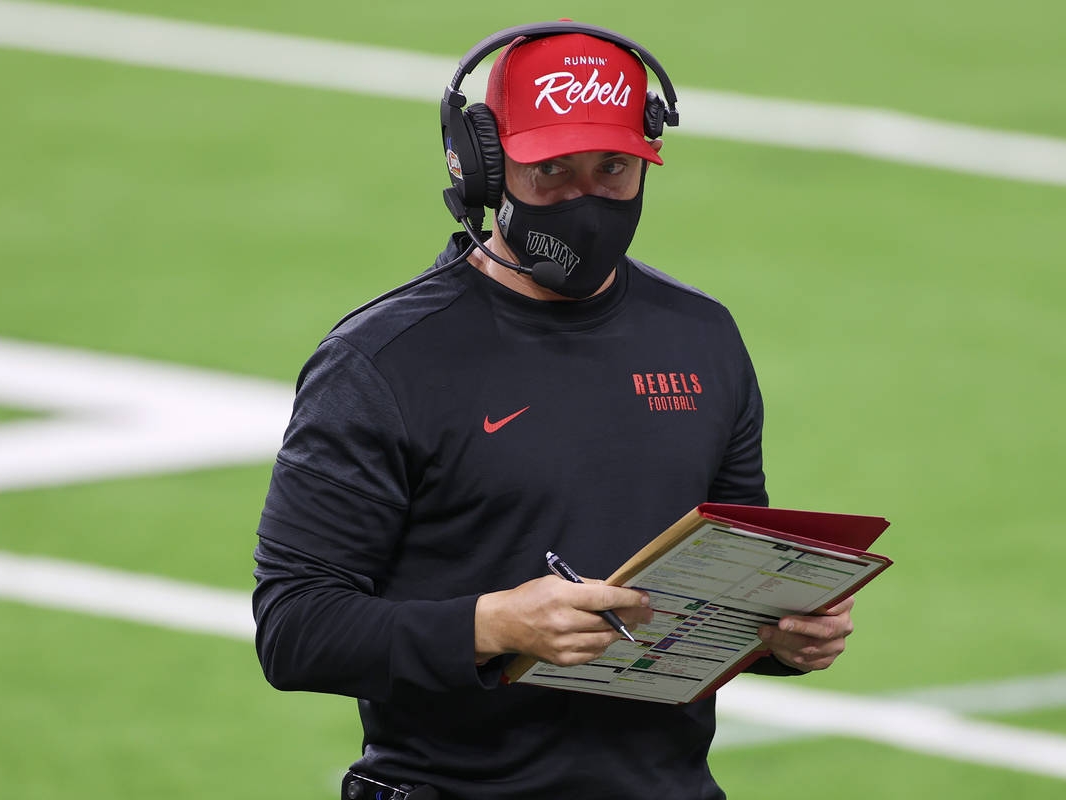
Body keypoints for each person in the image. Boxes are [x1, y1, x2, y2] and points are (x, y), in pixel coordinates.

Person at [253, 22, 854, 800]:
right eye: (552, 172)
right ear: (485, 167)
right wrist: (492, 626)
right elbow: (296, 629)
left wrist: (780, 635)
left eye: (613, 169)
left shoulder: (702, 337)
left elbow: (730, 573)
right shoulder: (384, 362)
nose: (586, 201)